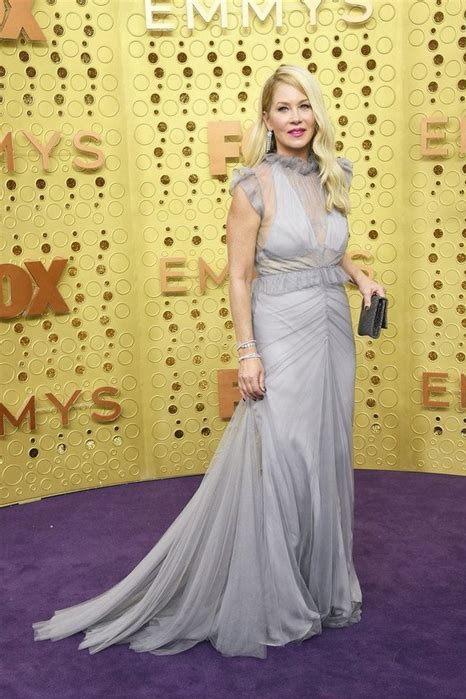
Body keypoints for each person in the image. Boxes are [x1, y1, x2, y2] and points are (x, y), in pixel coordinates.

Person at [32, 64, 385, 660]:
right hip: (279, 328)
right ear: (266, 119)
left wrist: (358, 275)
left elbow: (327, 245)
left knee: (325, 452)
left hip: (331, 326)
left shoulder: (335, 174)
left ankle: (320, 586)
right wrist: (247, 353)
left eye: (304, 106)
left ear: (316, 113)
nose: (296, 118)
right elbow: (240, 277)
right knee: (284, 455)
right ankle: (274, 593)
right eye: (283, 108)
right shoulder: (251, 187)